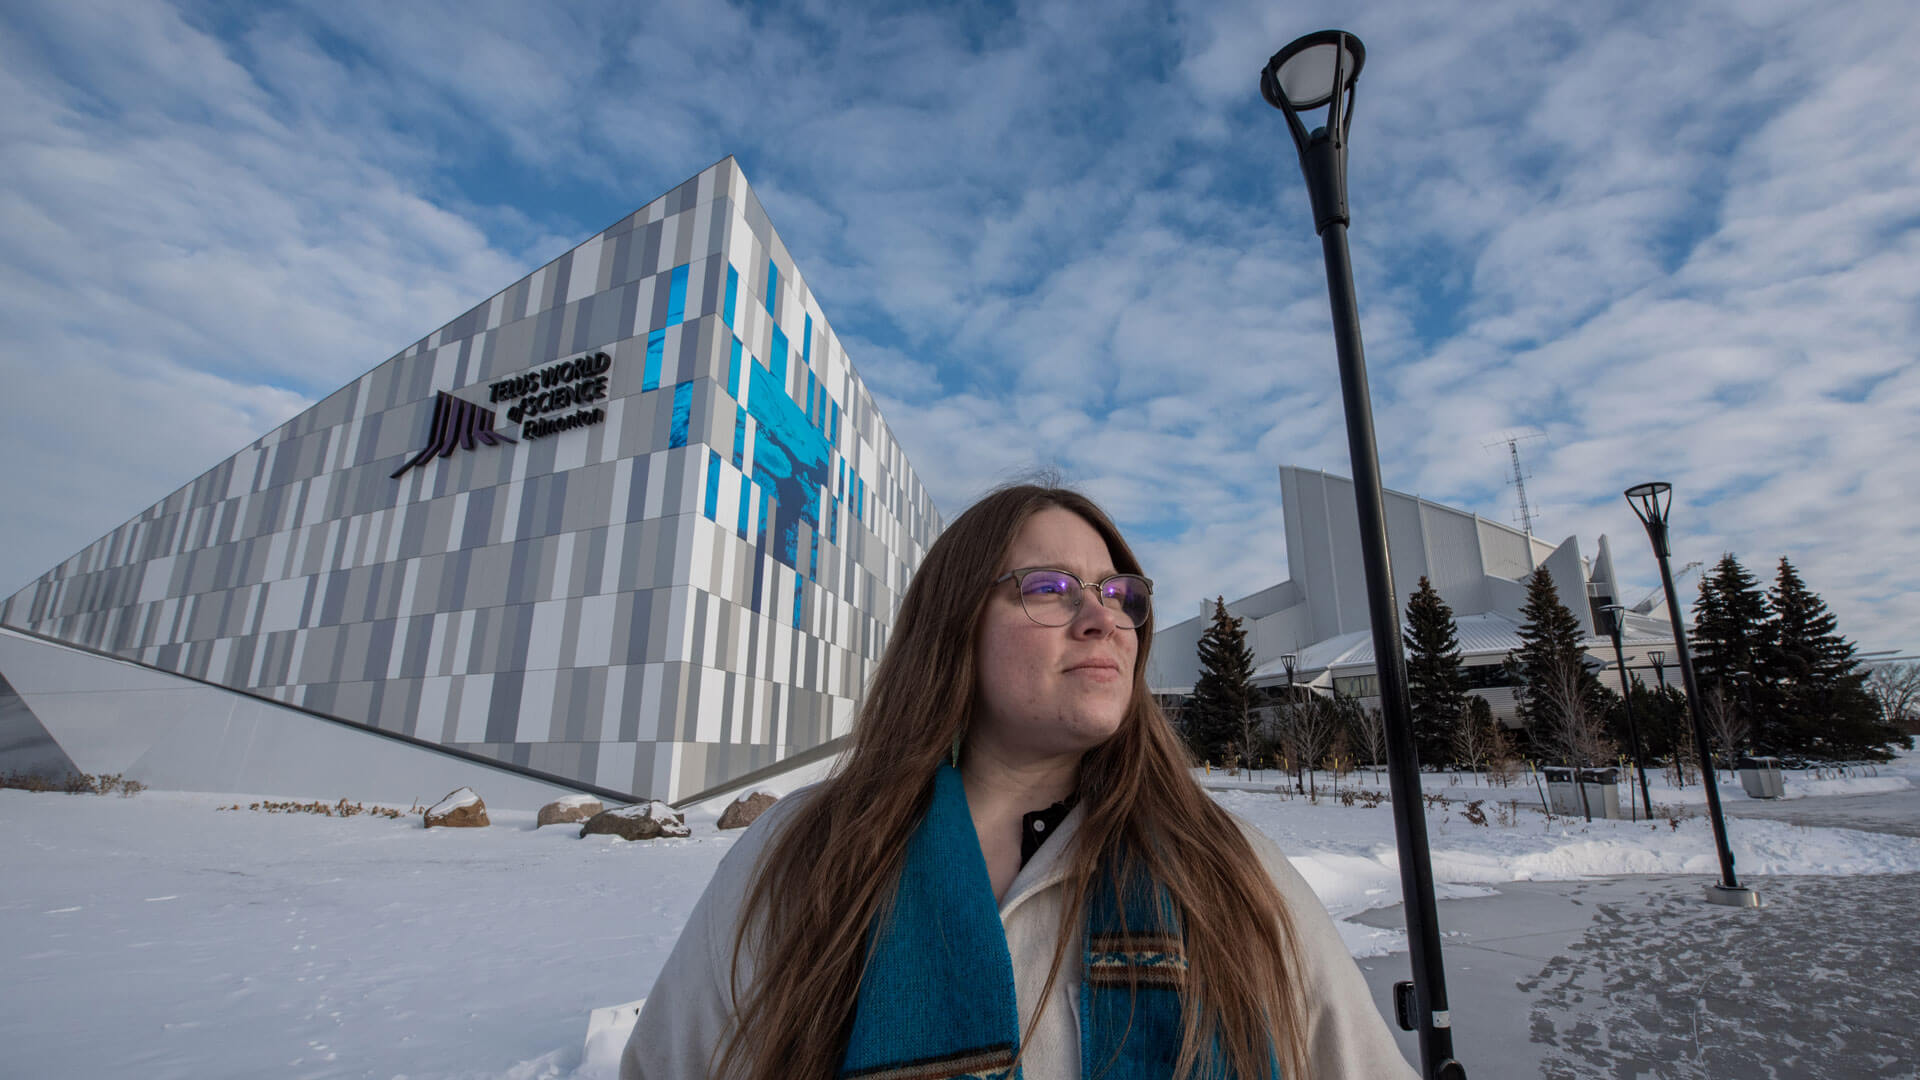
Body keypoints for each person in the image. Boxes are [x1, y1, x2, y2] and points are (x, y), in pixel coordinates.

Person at [622, 484, 1415, 1079]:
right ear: (954, 625)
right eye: (1048, 588)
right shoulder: (806, 852)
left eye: (1118, 594)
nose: (1103, 618)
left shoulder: (1227, 868)